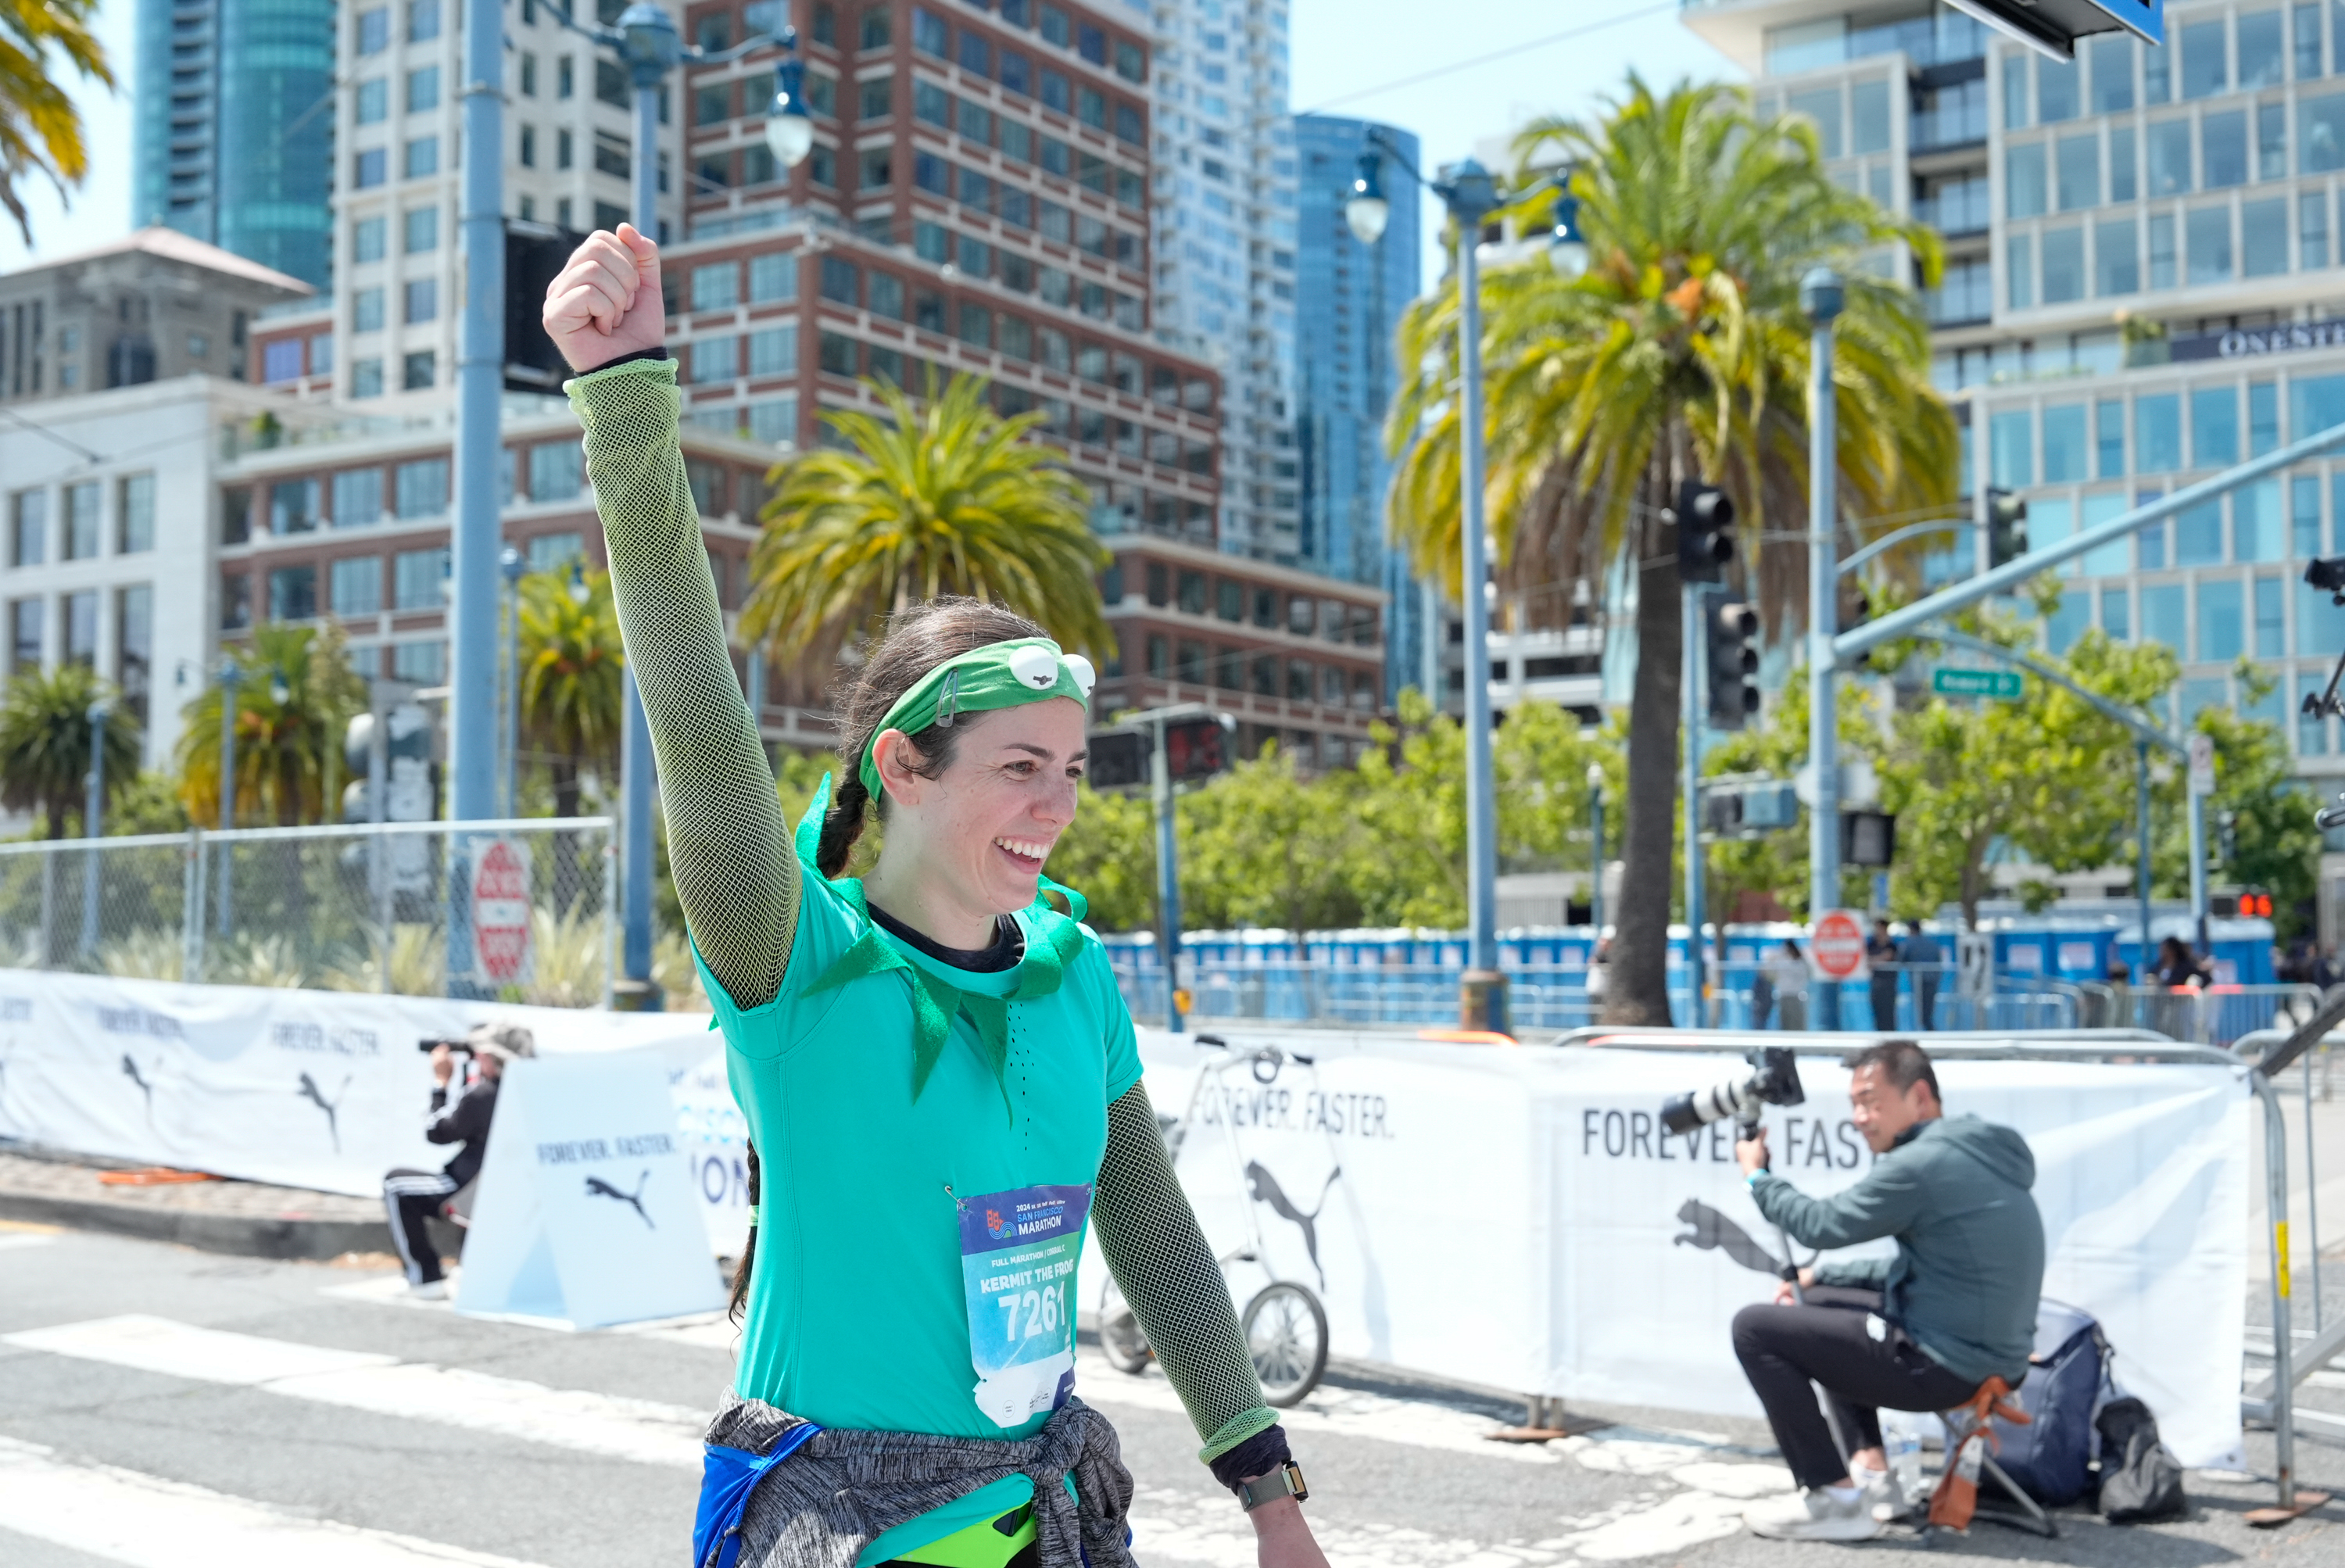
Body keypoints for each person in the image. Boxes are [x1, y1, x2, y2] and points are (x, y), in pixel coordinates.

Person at [543, 225, 1326, 1568]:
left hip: (1054, 1518)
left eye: (1072, 768)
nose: (1058, 802)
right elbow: (692, 706)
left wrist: (1270, 1493)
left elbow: (1143, 1219)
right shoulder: (797, 962)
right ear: (902, 765)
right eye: (1021, 767)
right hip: (851, 1526)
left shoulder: (1072, 975)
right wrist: (628, 395)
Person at [1728, 1040, 2044, 1541]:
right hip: (1991, 1357)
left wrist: (1758, 1177)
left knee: (1754, 1328)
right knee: (1817, 1302)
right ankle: (1873, 1475)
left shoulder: (1920, 1164)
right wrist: (1824, 1279)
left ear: (1919, 1097)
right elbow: (1926, 1269)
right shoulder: (1972, 1147)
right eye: (1854, 1103)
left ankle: (1833, 1498)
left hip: (1950, 1368)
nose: (1859, 1117)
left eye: (1871, 1101)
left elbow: (1819, 1225)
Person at [381, 1021, 535, 1299]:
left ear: (492, 1058)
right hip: (513, 1189)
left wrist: (440, 1083)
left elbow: (437, 1132)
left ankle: (425, 1277)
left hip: (471, 1192)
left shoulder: (482, 1095)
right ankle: (469, 1265)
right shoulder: (532, 1090)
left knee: (397, 1185)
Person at [1898, 922, 1944, 1033]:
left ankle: (1930, 1031)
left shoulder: (1910, 943)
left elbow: (1901, 959)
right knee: (1928, 1009)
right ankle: (1930, 1030)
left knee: (1922, 1011)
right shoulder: (1932, 944)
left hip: (1919, 980)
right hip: (1933, 980)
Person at [1762, 939, 1808, 1031]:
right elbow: (1768, 973)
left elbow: (1803, 975)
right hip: (1783, 995)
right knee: (1785, 1023)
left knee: (1796, 1023)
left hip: (1796, 995)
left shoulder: (1798, 963)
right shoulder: (1781, 962)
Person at [1865, 919, 1899, 1033]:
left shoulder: (1892, 945)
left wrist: (1876, 961)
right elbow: (1867, 960)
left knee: (1889, 1014)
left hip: (1889, 985)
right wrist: (1879, 959)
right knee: (1877, 1014)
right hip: (1876, 984)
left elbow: (1888, 956)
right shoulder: (1871, 944)